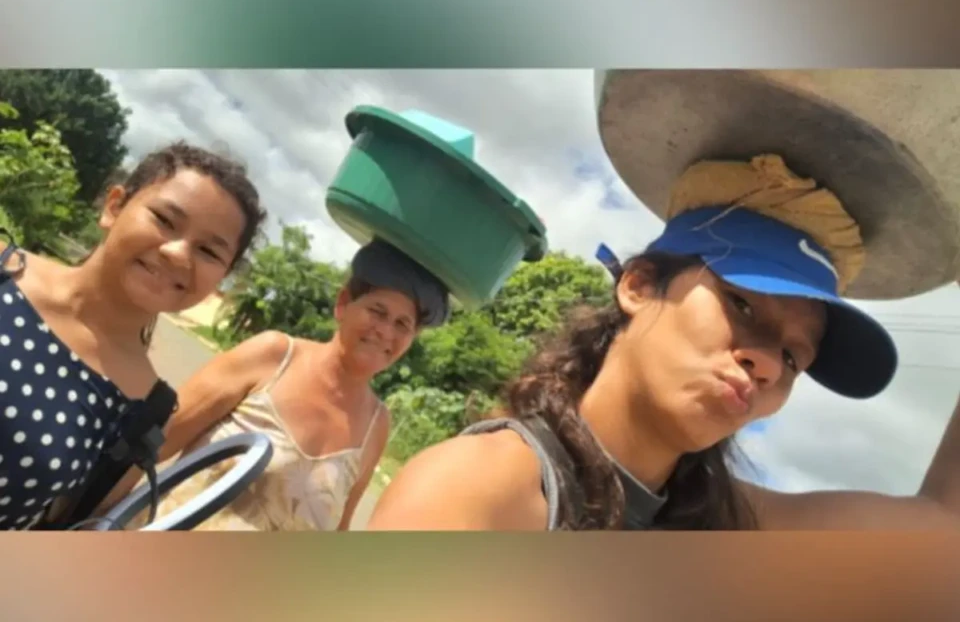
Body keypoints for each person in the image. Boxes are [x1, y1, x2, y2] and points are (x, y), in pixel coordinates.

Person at [366, 181, 960, 531]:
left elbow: (942, 525)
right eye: (741, 305)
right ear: (640, 285)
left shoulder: (720, 519)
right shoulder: (481, 492)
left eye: (792, 358)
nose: (767, 364)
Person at [0, 141, 267, 530]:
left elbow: (73, 528)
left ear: (221, 278)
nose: (178, 253)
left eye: (209, 252)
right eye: (165, 220)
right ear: (114, 207)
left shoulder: (146, 410)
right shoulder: (5, 272)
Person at [114, 238, 450, 531]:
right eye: (377, 311)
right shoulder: (273, 358)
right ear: (343, 304)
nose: (386, 332)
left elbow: (338, 531)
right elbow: (150, 445)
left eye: (403, 325)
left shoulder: (376, 426)